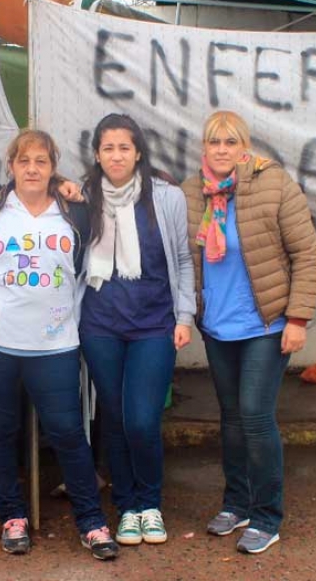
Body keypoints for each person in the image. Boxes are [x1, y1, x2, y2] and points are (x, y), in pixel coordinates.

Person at [0, 129, 119, 561]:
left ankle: (91, 521)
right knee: (0, 431)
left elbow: (83, 265)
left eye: (41, 161)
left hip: (53, 342)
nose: (31, 168)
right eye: (23, 160)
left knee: (67, 431)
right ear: (11, 166)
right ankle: (13, 516)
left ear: (52, 168)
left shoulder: (73, 211)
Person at [181, 110, 316, 555]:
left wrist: (298, 319)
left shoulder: (273, 183)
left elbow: (307, 254)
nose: (221, 150)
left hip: (267, 322)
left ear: (244, 147)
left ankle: (266, 516)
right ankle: (236, 504)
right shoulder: (192, 191)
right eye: (214, 142)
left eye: (230, 142)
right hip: (218, 325)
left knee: (255, 416)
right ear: (204, 147)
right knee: (231, 418)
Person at [78, 113, 194, 546]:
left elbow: (183, 259)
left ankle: (150, 503)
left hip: (154, 323)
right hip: (100, 325)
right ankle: (127, 507)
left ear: (138, 152)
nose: (116, 156)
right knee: (113, 417)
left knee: (142, 420)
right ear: (96, 154)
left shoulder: (166, 197)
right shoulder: (83, 196)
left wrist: (184, 317)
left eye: (124, 147)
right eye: (108, 148)